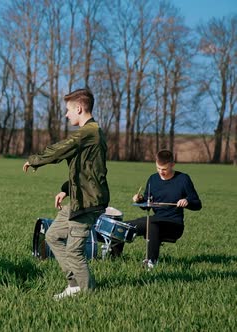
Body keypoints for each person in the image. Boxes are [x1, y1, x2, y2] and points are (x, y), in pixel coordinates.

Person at [23, 88, 109, 300]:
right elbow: (87, 171)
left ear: (79, 108)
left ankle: (88, 293)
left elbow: (62, 148)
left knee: (74, 251)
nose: (66, 115)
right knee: (52, 236)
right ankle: (74, 284)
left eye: (68, 110)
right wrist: (65, 190)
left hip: (89, 203)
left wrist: (35, 160)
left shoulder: (90, 132)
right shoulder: (91, 134)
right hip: (80, 198)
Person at [110, 150, 202, 269]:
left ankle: (151, 262)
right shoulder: (153, 179)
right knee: (122, 226)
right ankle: (113, 258)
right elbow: (146, 204)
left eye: (164, 169)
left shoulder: (183, 179)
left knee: (152, 223)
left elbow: (198, 204)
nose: (161, 172)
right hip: (155, 220)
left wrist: (187, 201)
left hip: (174, 224)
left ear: (172, 165)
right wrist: (139, 199)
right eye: (158, 168)